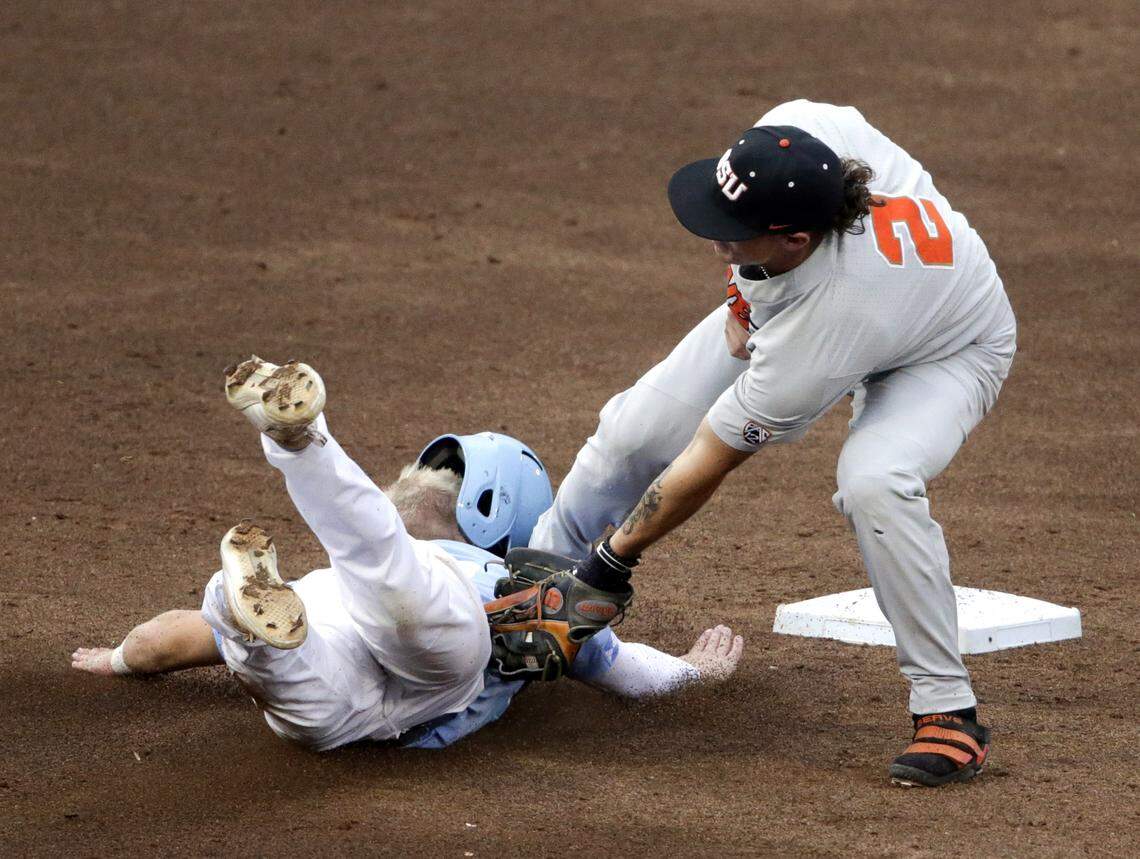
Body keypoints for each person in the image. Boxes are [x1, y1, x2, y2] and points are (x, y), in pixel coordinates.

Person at [529, 100, 1016, 787]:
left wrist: (611, 564)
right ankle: (530, 582)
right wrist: (738, 292)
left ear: (791, 238)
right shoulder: (804, 135)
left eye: (734, 232)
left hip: (948, 349)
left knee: (875, 481)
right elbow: (763, 194)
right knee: (634, 430)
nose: (713, 238)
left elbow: (708, 457)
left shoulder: (824, 327)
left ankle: (948, 710)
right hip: (847, 298)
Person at [71, 357, 743, 751]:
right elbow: (627, 672)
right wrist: (693, 672)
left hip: (330, 638)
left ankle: (270, 515)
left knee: (285, 637)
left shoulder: (321, 582)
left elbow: (163, 640)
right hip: (436, 653)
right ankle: (298, 451)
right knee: (389, 569)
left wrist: (120, 658)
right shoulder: (499, 573)